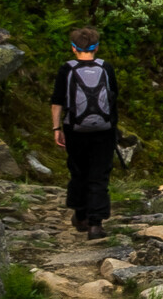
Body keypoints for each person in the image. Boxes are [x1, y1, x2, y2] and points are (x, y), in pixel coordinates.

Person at [49, 26, 121, 236]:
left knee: (78, 172)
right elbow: (113, 97)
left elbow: (57, 101)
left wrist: (57, 128)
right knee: (99, 175)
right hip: (104, 130)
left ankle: (80, 216)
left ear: (73, 48)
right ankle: (96, 224)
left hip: (75, 129)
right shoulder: (106, 68)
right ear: (96, 47)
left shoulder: (67, 69)